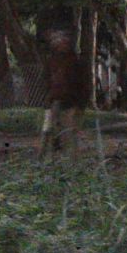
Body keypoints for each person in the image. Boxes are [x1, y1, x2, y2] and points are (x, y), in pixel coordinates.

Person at [40, 26, 90, 156]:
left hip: (70, 103)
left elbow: (84, 84)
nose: (60, 43)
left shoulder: (77, 62)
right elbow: (46, 80)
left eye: (62, 40)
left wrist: (81, 105)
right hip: (53, 101)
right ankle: (45, 160)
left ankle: (70, 165)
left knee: (68, 135)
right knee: (47, 132)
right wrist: (48, 97)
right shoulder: (51, 61)